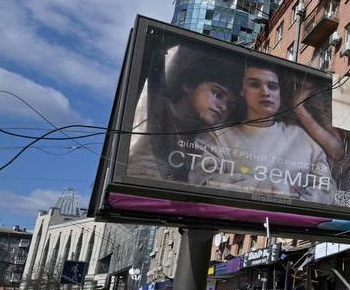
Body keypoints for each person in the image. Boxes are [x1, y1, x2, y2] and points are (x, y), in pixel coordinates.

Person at [193, 63, 337, 205]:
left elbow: (327, 189)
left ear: (279, 93)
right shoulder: (216, 136)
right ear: (242, 91)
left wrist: (296, 207)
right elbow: (205, 182)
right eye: (255, 84)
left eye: (273, 87)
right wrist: (277, 189)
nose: (266, 92)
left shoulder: (302, 137)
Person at [127, 43, 236, 182]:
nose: (223, 107)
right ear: (189, 86)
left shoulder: (200, 140)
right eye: (217, 94)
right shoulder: (154, 112)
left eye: (230, 105)